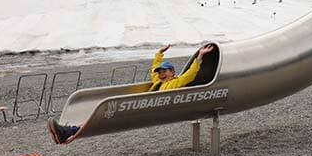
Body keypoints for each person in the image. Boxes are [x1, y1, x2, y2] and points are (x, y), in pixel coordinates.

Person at [48, 43, 216, 144]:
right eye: (160, 72)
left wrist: (200, 56)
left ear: (172, 71)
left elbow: (191, 73)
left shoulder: (177, 82)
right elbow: (153, 68)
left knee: (106, 115)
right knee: (103, 115)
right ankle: (68, 132)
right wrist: (159, 53)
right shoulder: (158, 82)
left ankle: (68, 132)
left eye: (163, 71)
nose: (160, 74)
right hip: (143, 106)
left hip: (150, 110)